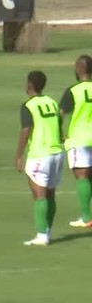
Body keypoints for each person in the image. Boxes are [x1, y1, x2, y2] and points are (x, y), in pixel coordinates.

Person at [17, 70, 63, 246]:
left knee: (39, 195)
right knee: (50, 194)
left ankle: (41, 235)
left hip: (40, 154)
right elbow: (59, 123)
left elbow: (26, 129)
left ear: (29, 85)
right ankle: (47, 232)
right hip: (57, 153)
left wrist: (19, 155)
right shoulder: (51, 102)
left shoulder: (28, 106)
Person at [62, 55, 92, 228]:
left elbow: (61, 113)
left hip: (79, 139)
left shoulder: (73, 91)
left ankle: (86, 217)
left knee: (82, 176)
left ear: (79, 69)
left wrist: (59, 134)